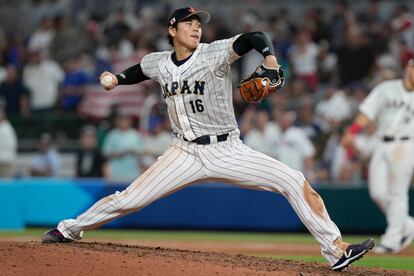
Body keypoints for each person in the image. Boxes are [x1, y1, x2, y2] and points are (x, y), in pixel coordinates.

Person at [42, 7, 374, 271]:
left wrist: (270, 59)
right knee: (129, 200)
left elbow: (254, 37)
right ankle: (69, 228)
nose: (196, 27)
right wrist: (116, 78)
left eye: (198, 23)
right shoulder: (159, 61)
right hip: (182, 153)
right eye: (188, 23)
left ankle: (336, 251)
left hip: (228, 148)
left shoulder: (214, 53)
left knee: (293, 179)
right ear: (172, 31)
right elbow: (140, 71)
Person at [342, 59, 414, 253]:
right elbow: (367, 113)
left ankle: (392, 241)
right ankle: (407, 225)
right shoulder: (387, 89)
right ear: (408, 68)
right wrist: (353, 131)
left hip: (407, 144)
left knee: (398, 193)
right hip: (382, 143)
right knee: (377, 192)